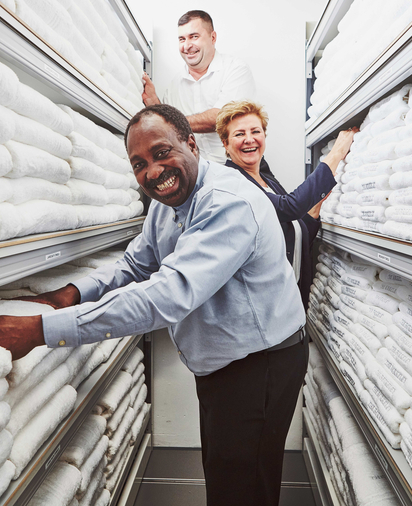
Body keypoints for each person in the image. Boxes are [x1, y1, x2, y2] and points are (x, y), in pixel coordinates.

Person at [2, 104, 307, 506]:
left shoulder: (229, 203)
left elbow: (167, 294)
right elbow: (135, 263)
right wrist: (70, 294)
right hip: (226, 361)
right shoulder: (168, 204)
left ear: (192, 144)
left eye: (162, 153)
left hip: (261, 363)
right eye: (139, 163)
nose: (153, 171)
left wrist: (40, 331)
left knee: (242, 484)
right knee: (228, 472)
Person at [216, 100, 358, 309]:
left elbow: (294, 229)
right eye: (239, 134)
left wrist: (316, 206)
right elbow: (288, 208)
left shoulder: (264, 177)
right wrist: (337, 152)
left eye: (255, 131)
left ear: (264, 135)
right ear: (225, 143)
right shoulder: (233, 183)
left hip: (290, 297)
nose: (249, 139)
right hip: (263, 305)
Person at [142, 10, 256, 163]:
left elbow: (221, 118)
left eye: (194, 37)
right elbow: (168, 133)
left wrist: (168, 119)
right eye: (182, 39)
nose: (187, 46)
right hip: (196, 175)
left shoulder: (236, 70)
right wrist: (156, 106)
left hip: (237, 169)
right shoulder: (174, 87)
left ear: (212, 37)